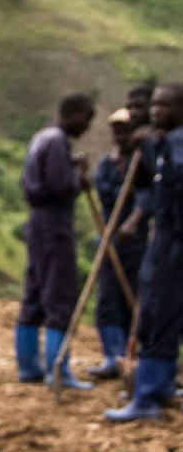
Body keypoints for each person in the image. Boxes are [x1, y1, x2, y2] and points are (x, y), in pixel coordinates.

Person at [107, 84, 183, 421]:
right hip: (165, 236)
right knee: (159, 310)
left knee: (157, 310)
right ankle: (162, 387)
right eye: (154, 105)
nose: (156, 111)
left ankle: (148, 397)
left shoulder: (177, 147)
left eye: (165, 105)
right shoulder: (164, 144)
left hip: (174, 239)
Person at [14, 93, 96, 390]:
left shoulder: (42, 137)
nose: (86, 128)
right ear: (72, 114)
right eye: (86, 119)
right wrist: (80, 180)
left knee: (34, 292)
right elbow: (62, 186)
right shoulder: (58, 141)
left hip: (37, 223)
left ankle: (27, 367)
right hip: (54, 225)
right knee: (60, 297)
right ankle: (58, 371)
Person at [88, 109, 146, 380]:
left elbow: (148, 198)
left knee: (132, 298)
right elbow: (106, 193)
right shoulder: (106, 164)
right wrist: (128, 188)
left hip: (137, 241)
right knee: (108, 297)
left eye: (125, 129)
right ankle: (112, 356)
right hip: (110, 237)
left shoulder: (142, 162)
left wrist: (135, 189)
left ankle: (131, 358)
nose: (120, 135)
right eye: (117, 130)